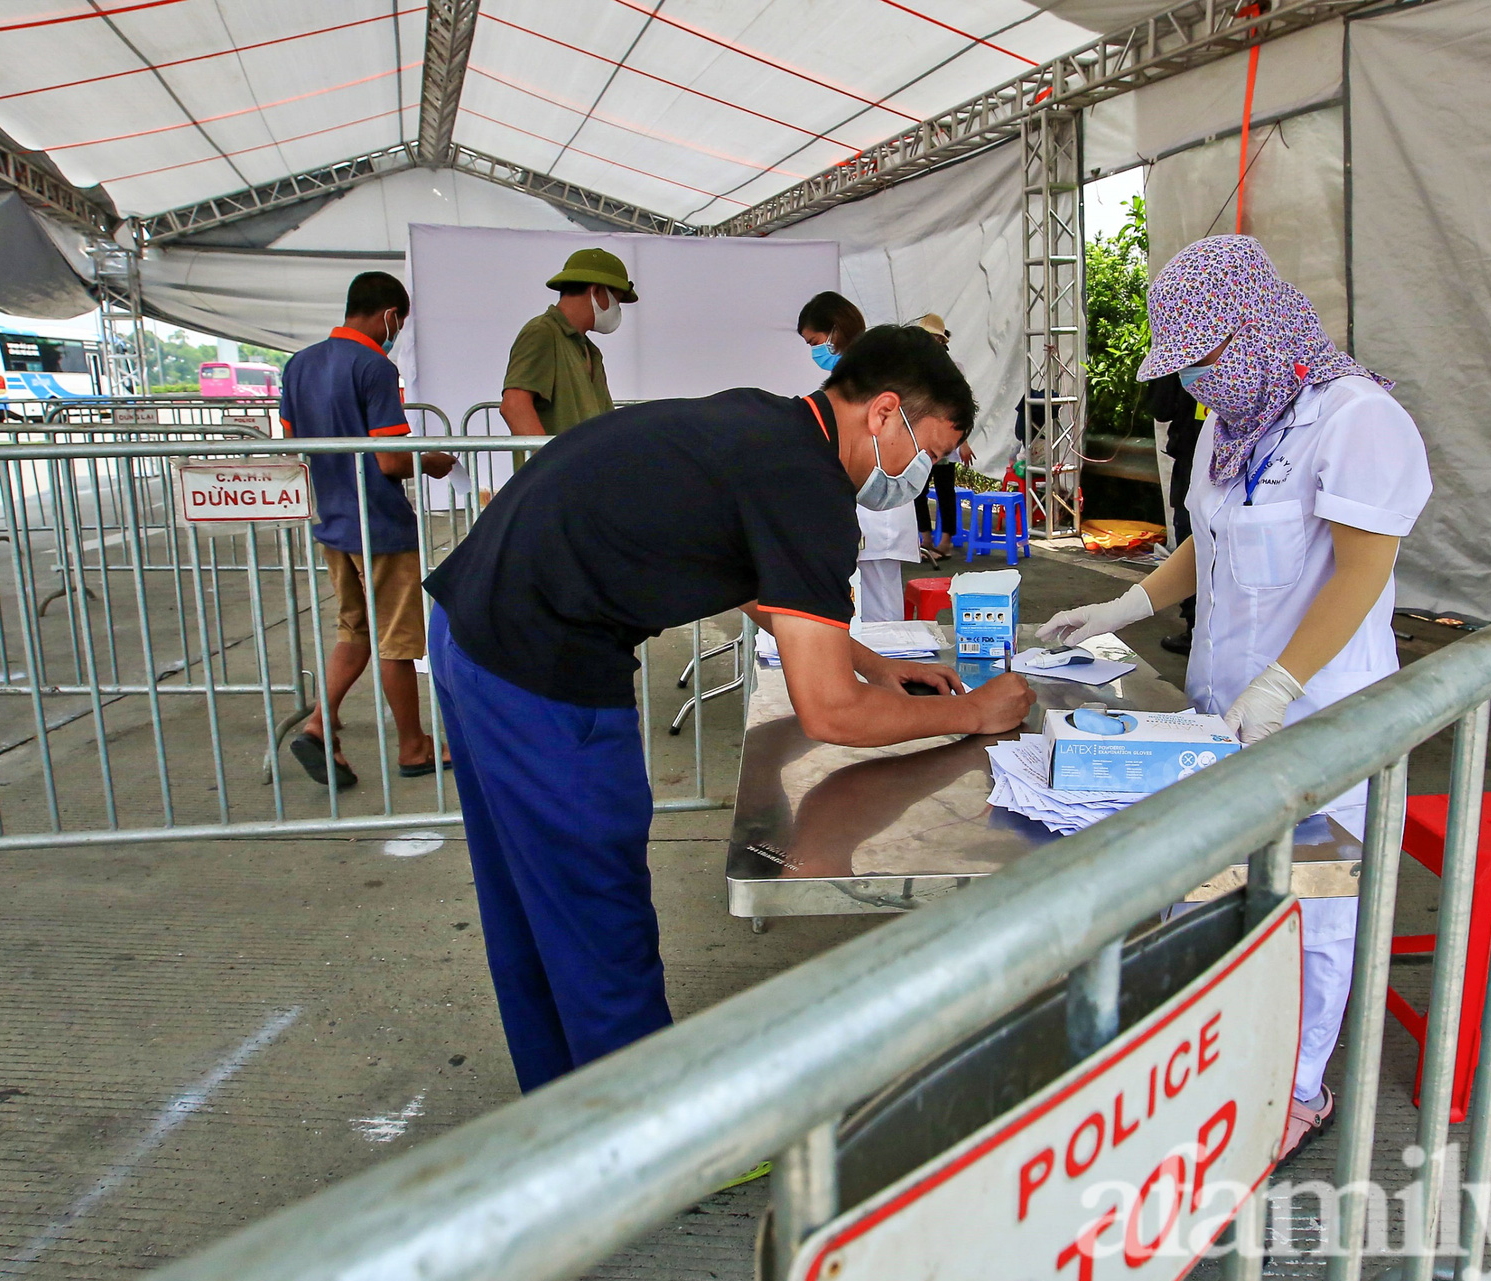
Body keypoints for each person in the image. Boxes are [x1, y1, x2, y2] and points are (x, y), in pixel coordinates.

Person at [425, 325, 1035, 1091]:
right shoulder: (812, 488)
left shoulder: (767, 423)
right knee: (595, 908)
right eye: (932, 453)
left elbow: (742, 569)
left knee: (527, 896)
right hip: (537, 662)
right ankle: (651, 1143)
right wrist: (973, 714)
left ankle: (559, 1109)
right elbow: (832, 717)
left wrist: (870, 659)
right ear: (885, 414)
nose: (922, 474)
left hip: (466, 621)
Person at [1040, 235, 1432, 1162]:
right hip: (1223, 711)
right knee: (1214, 889)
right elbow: (1209, 546)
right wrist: (1126, 602)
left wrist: (1285, 684)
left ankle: (1295, 1089)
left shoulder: (1357, 420)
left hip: (1322, 720)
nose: (1198, 384)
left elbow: (1363, 572)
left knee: (1310, 902)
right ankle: (1209, 1058)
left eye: (1205, 359)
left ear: (1254, 327)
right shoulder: (1237, 419)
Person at [279, 271, 457, 789]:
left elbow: (297, 447)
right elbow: (390, 460)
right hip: (378, 525)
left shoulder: (298, 365)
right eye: (399, 322)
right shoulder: (374, 367)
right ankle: (413, 745)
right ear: (389, 316)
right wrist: (430, 460)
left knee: (354, 630)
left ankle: (318, 722)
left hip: (330, 521)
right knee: (398, 642)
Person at [799, 292, 917, 621]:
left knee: (881, 611)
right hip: (860, 507)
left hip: (878, 504)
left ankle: (888, 669)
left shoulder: (875, 375)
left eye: (815, 341)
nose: (814, 351)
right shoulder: (853, 376)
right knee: (859, 607)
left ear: (836, 331)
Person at [499, 247, 633, 437]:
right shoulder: (542, 333)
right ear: (596, 290)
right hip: (562, 466)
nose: (617, 308)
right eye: (616, 300)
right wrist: (550, 461)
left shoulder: (590, 350)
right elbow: (514, 405)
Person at [1145, 371, 1202, 653]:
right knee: (1192, 545)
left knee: (1196, 541)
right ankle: (1194, 629)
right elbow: (1161, 407)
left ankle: (1196, 630)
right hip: (1192, 461)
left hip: (1201, 464)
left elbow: (1160, 407)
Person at [911, 313, 974, 558]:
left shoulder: (953, 368)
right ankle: (925, 538)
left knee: (946, 489)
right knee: (917, 489)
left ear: (940, 340)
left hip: (946, 436)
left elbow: (962, 406)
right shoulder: (916, 367)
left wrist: (963, 440)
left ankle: (945, 541)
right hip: (920, 437)